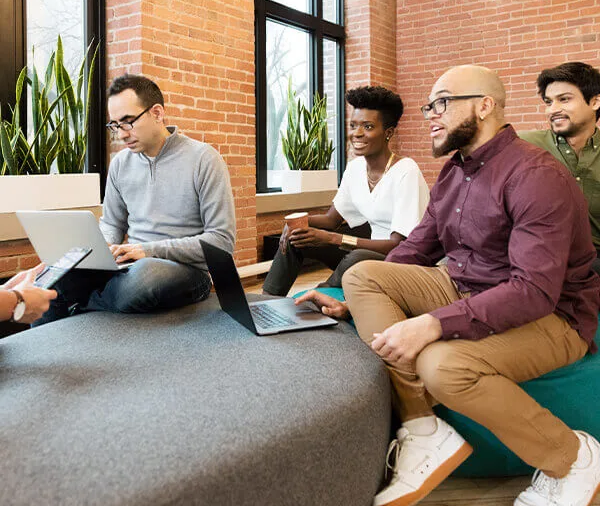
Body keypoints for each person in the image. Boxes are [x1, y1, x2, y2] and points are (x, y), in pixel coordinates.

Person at [297, 65, 600, 506]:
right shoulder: (454, 172)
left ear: (484, 106)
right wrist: (352, 302)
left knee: (443, 366)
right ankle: (423, 427)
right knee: (363, 276)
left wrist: (435, 323)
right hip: (465, 285)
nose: (431, 116)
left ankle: (572, 457)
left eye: (442, 103)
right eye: (429, 107)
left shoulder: (536, 175)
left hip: (555, 316)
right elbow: (417, 246)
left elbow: (533, 291)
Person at [36, 74, 235, 324]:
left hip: (185, 272)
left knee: (143, 278)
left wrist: (147, 250)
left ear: (157, 113)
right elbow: (112, 224)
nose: (121, 134)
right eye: (115, 125)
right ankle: (46, 346)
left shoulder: (204, 159)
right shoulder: (120, 164)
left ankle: (81, 306)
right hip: (128, 266)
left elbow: (221, 242)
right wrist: (100, 250)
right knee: (51, 273)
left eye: (128, 122)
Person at [262, 86, 429, 297]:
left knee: (357, 257)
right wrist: (298, 223)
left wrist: (333, 239)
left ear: (388, 133)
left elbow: (398, 246)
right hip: (366, 253)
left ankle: (316, 299)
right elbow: (331, 220)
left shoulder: (407, 171)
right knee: (299, 238)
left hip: (400, 261)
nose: (357, 133)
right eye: (353, 125)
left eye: (367, 126)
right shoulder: (355, 168)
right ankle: (267, 301)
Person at [521, 62, 600, 274]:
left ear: (594, 101)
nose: (553, 110)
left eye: (564, 99)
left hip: (593, 267)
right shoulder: (522, 146)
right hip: (535, 261)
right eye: (548, 102)